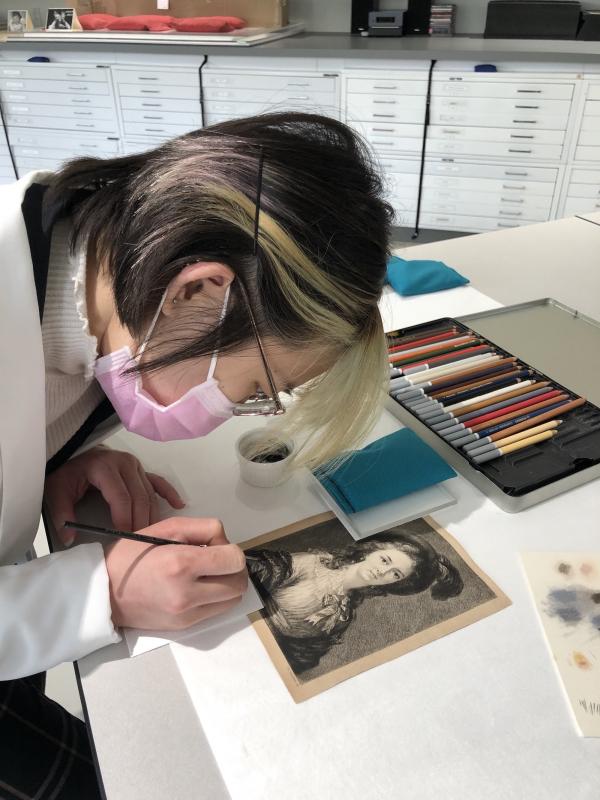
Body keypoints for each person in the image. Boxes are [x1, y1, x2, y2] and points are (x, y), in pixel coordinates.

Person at [0, 112, 393, 797]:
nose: (240, 413)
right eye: (257, 390)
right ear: (197, 291)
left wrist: (51, 453)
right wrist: (101, 593)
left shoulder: (91, 266)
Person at [247, 532, 464, 673]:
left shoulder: (344, 614)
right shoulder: (311, 564)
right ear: (371, 551)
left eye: (395, 574)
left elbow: (299, 659)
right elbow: (253, 574)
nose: (383, 571)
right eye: (385, 560)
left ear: (396, 583)